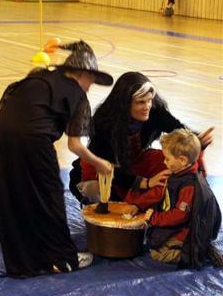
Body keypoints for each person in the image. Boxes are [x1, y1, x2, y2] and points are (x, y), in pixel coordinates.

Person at [0, 40, 114, 278]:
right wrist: (100, 163)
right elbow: (75, 144)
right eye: (91, 80)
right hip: (34, 139)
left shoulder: (38, 76)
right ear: (81, 73)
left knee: (14, 195)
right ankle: (63, 259)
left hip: (3, 131)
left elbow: (9, 101)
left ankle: (22, 263)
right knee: (50, 197)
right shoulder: (78, 96)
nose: (90, 86)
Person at [69, 71, 213, 205]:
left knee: (177, 159)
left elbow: (178, 130)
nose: (147, 106)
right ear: (124, 104)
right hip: (102, 171)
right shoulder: (104, 124)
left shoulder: (154, 111)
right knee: (101, 194)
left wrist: (196, 140)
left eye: (149, 100)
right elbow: (106, 169)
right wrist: (146, 182)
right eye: (140, 102)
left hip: (132, 164)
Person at [125, 129, 222, 268]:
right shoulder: (177, 172)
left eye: (167, 159)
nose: (164, 162)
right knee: (150, 239)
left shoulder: (189, 186)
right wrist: (138, 205)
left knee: (157, 254)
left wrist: (154, 218)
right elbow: (159, 191)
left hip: (184, 232)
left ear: (182, 160)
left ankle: (201, 252)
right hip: (175, 224)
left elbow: (179, 215)